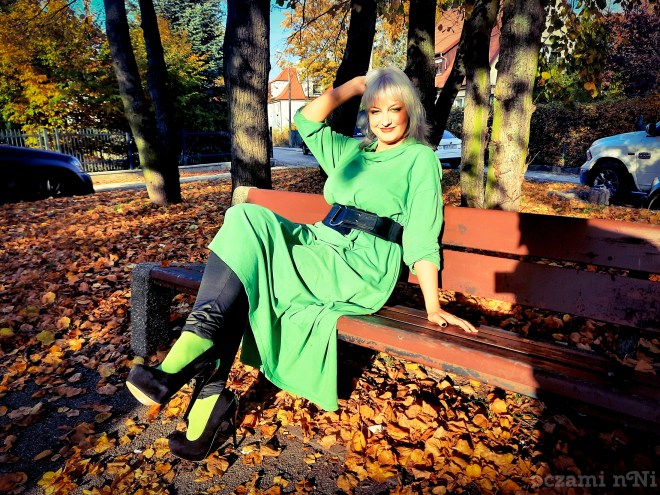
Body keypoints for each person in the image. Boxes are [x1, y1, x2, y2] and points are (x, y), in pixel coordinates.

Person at [126, 66, 477, 462]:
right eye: (375, 110)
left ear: (409, 110)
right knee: (244, 217)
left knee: (249, 272)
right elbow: (306, 120)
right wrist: (354, 86)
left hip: (359, 265)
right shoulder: (353, 152)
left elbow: (422, 234)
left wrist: (432, 306)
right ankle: (202, 365)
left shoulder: (419, 159)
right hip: (320, 242)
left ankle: (194, 378)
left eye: (394, 109)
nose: (384, 120)